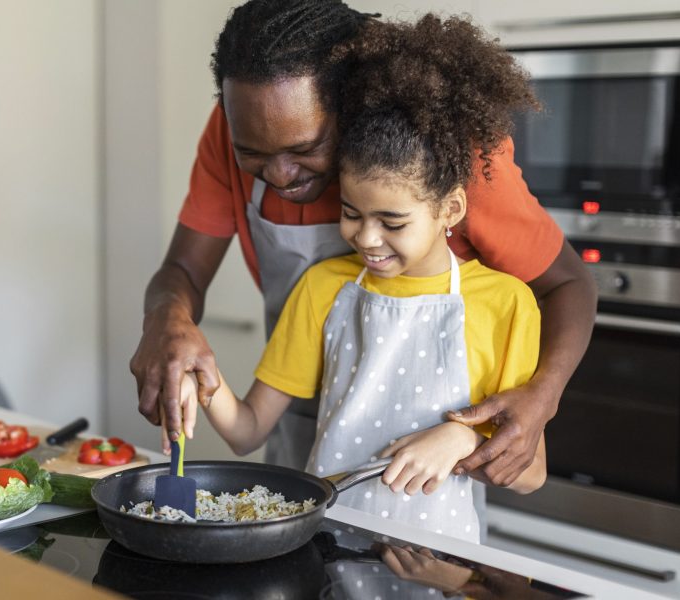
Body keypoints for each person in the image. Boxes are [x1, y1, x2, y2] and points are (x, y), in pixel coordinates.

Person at [130, 0, 594, 487]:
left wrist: (542, 394)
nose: (279, 174)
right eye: (253, 154)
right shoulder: (244, 122)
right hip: (292, 411)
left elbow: (568, 283)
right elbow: (183, 270)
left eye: (305, 149)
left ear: (351, 107)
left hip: (434, 455)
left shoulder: (443, 155)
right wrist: (169, 320)